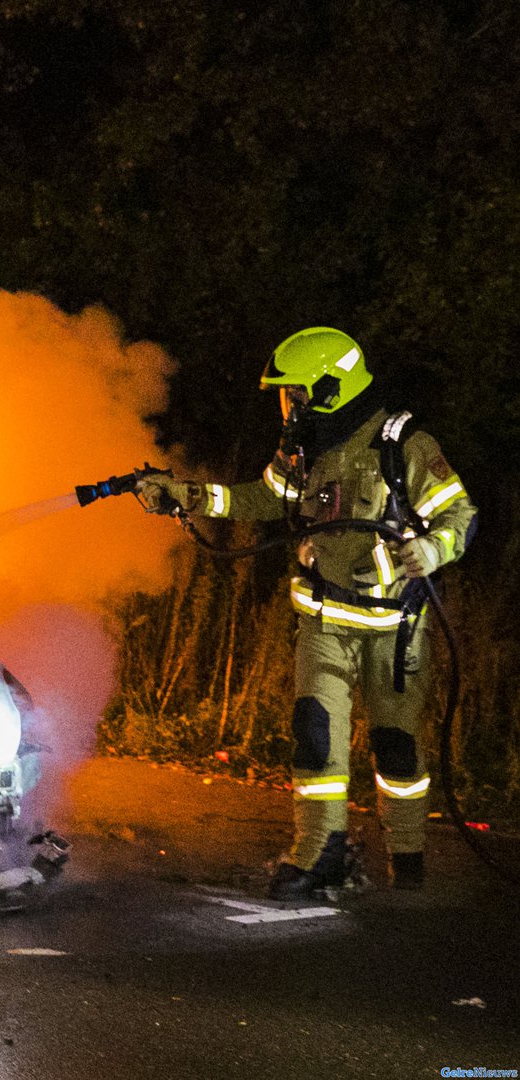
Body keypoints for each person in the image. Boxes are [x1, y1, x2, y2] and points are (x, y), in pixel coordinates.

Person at [137, 327, 477, 899]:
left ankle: (408, 852)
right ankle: (320, 855)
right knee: (315, 737)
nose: (287, 405)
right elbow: (262, 499)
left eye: (294, 392)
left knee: (398, 749)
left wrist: (432, 549)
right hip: (324, 623)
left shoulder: (404, 446)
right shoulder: (303, 448)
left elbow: (460, 515)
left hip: (396, 634)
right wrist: (189, 495)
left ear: (329, 388)